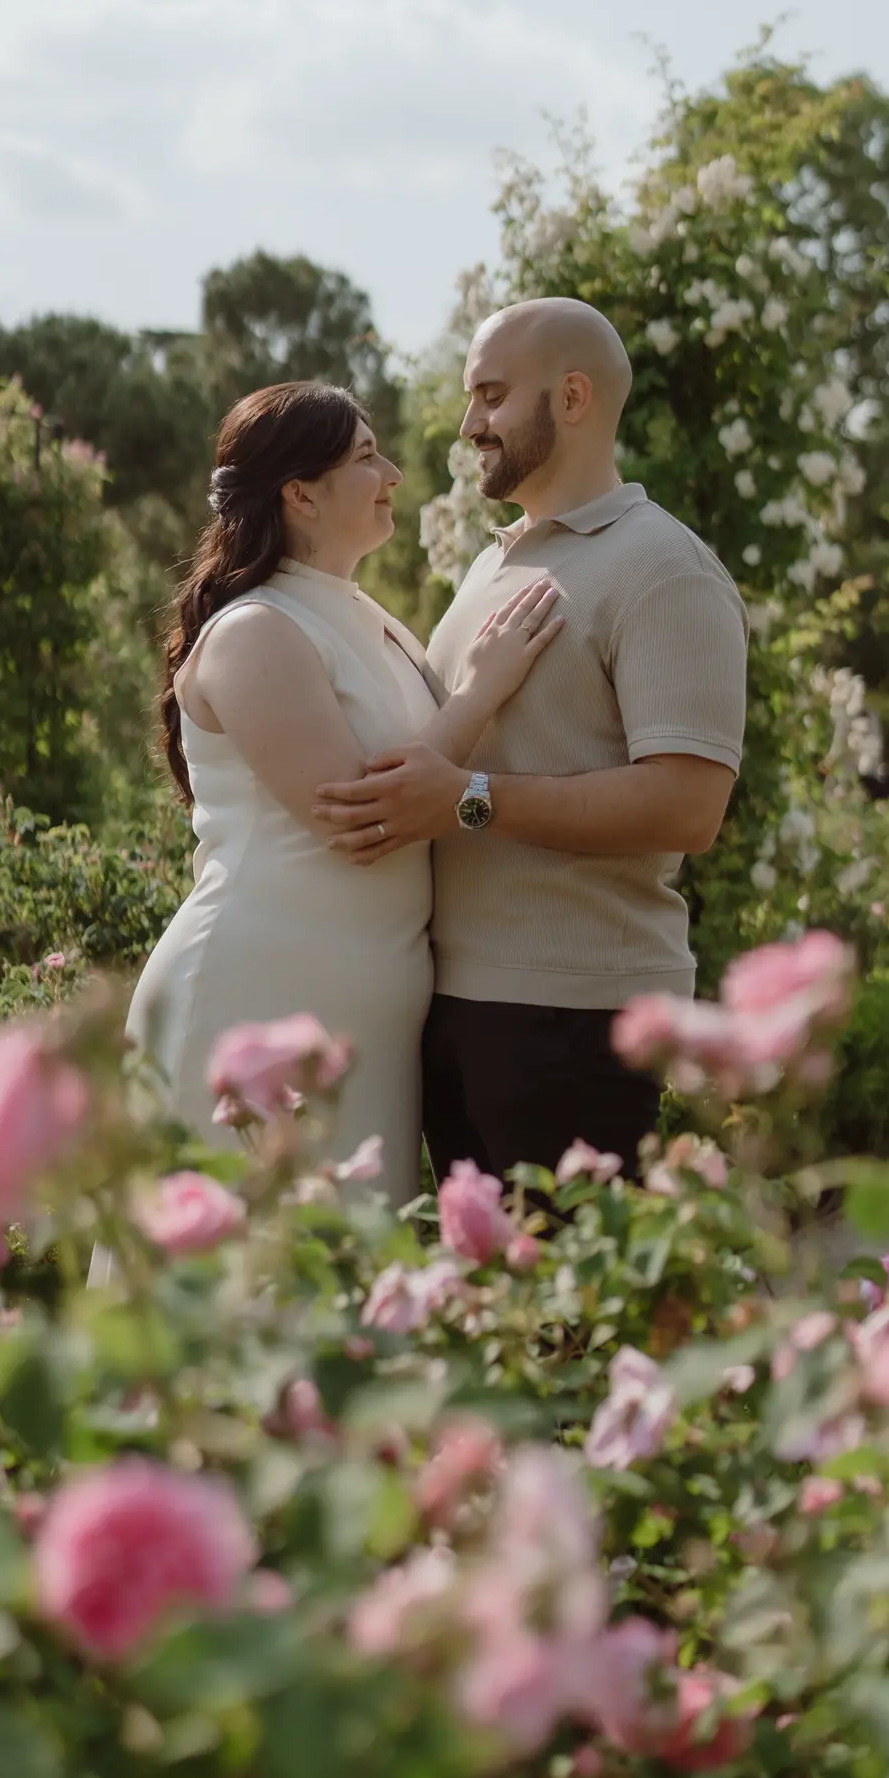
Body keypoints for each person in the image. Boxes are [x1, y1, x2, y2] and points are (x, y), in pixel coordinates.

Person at [314, 296, 748, 1179]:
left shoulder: (663, 567)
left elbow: (688, 804)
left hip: (577, 1024)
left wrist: (469, 802)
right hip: (458, 1011)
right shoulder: (495, 561)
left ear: (574, 397)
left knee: (577, 1317)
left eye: (492, 396)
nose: (469, 423)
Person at [126, 379, 562, 1206]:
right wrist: (481, 691)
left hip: (363, 1024)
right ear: (300, 494)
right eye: (367, 457)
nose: (393, 473)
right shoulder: (258, 631)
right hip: (257, 1005)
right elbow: (360, 821)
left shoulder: (363, 616)